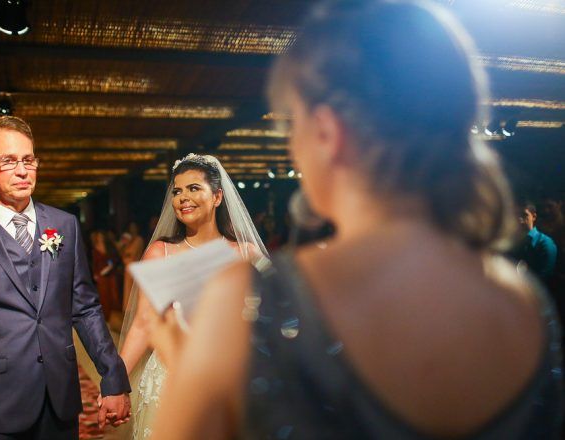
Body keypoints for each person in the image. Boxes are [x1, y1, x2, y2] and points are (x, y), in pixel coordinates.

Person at [149, 1, 563, 438]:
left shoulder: (256, 299)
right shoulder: (525, 304)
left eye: (294, 126)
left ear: (328, 132)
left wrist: (185, 363)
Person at [0, 116, 131, 439]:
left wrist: (114, 377)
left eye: (28, 160)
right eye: (9, 161)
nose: (23, 171)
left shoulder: (64, 225)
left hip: (60, 403)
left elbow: (86, 309)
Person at [112, 153, 268, 439]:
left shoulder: (246, 254)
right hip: (170, 380)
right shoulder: (161, 252)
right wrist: (115, 383)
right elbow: (144, 324)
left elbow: (277, 313)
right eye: (177, 191)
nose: (183, 197)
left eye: (194, 188)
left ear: (217, 196)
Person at [512, 203, 558, 284]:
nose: (520, 219)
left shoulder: (546, 243)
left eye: (524, 215)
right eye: (517, 214)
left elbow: (544, 278)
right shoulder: (512, 243)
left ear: (534, 217)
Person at [91, 229, 123, 323]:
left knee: (112, 294)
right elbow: (94, 263)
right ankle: (104, 317)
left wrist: (111, 265)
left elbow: (113, 257)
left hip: (110, 273)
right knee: (103, 295)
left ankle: (113, 317)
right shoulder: (94, 249)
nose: (101, 238)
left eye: (102, 236)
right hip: (101, 275)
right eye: (99, 236)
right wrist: (95, 274)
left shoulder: (108, 246)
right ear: (97, 237)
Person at [120, 222, 145, 312]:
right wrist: (124, 245)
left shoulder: (138, 239)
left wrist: (126, 252)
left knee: (134, 290)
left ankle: (135, 309)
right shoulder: (129, 239)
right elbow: (122, 253)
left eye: (134, 227)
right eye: (131, 227)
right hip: (127, 268)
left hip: (135, 268)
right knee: (127, 290)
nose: (132, 229)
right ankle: (128, 310)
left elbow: (133, 254)